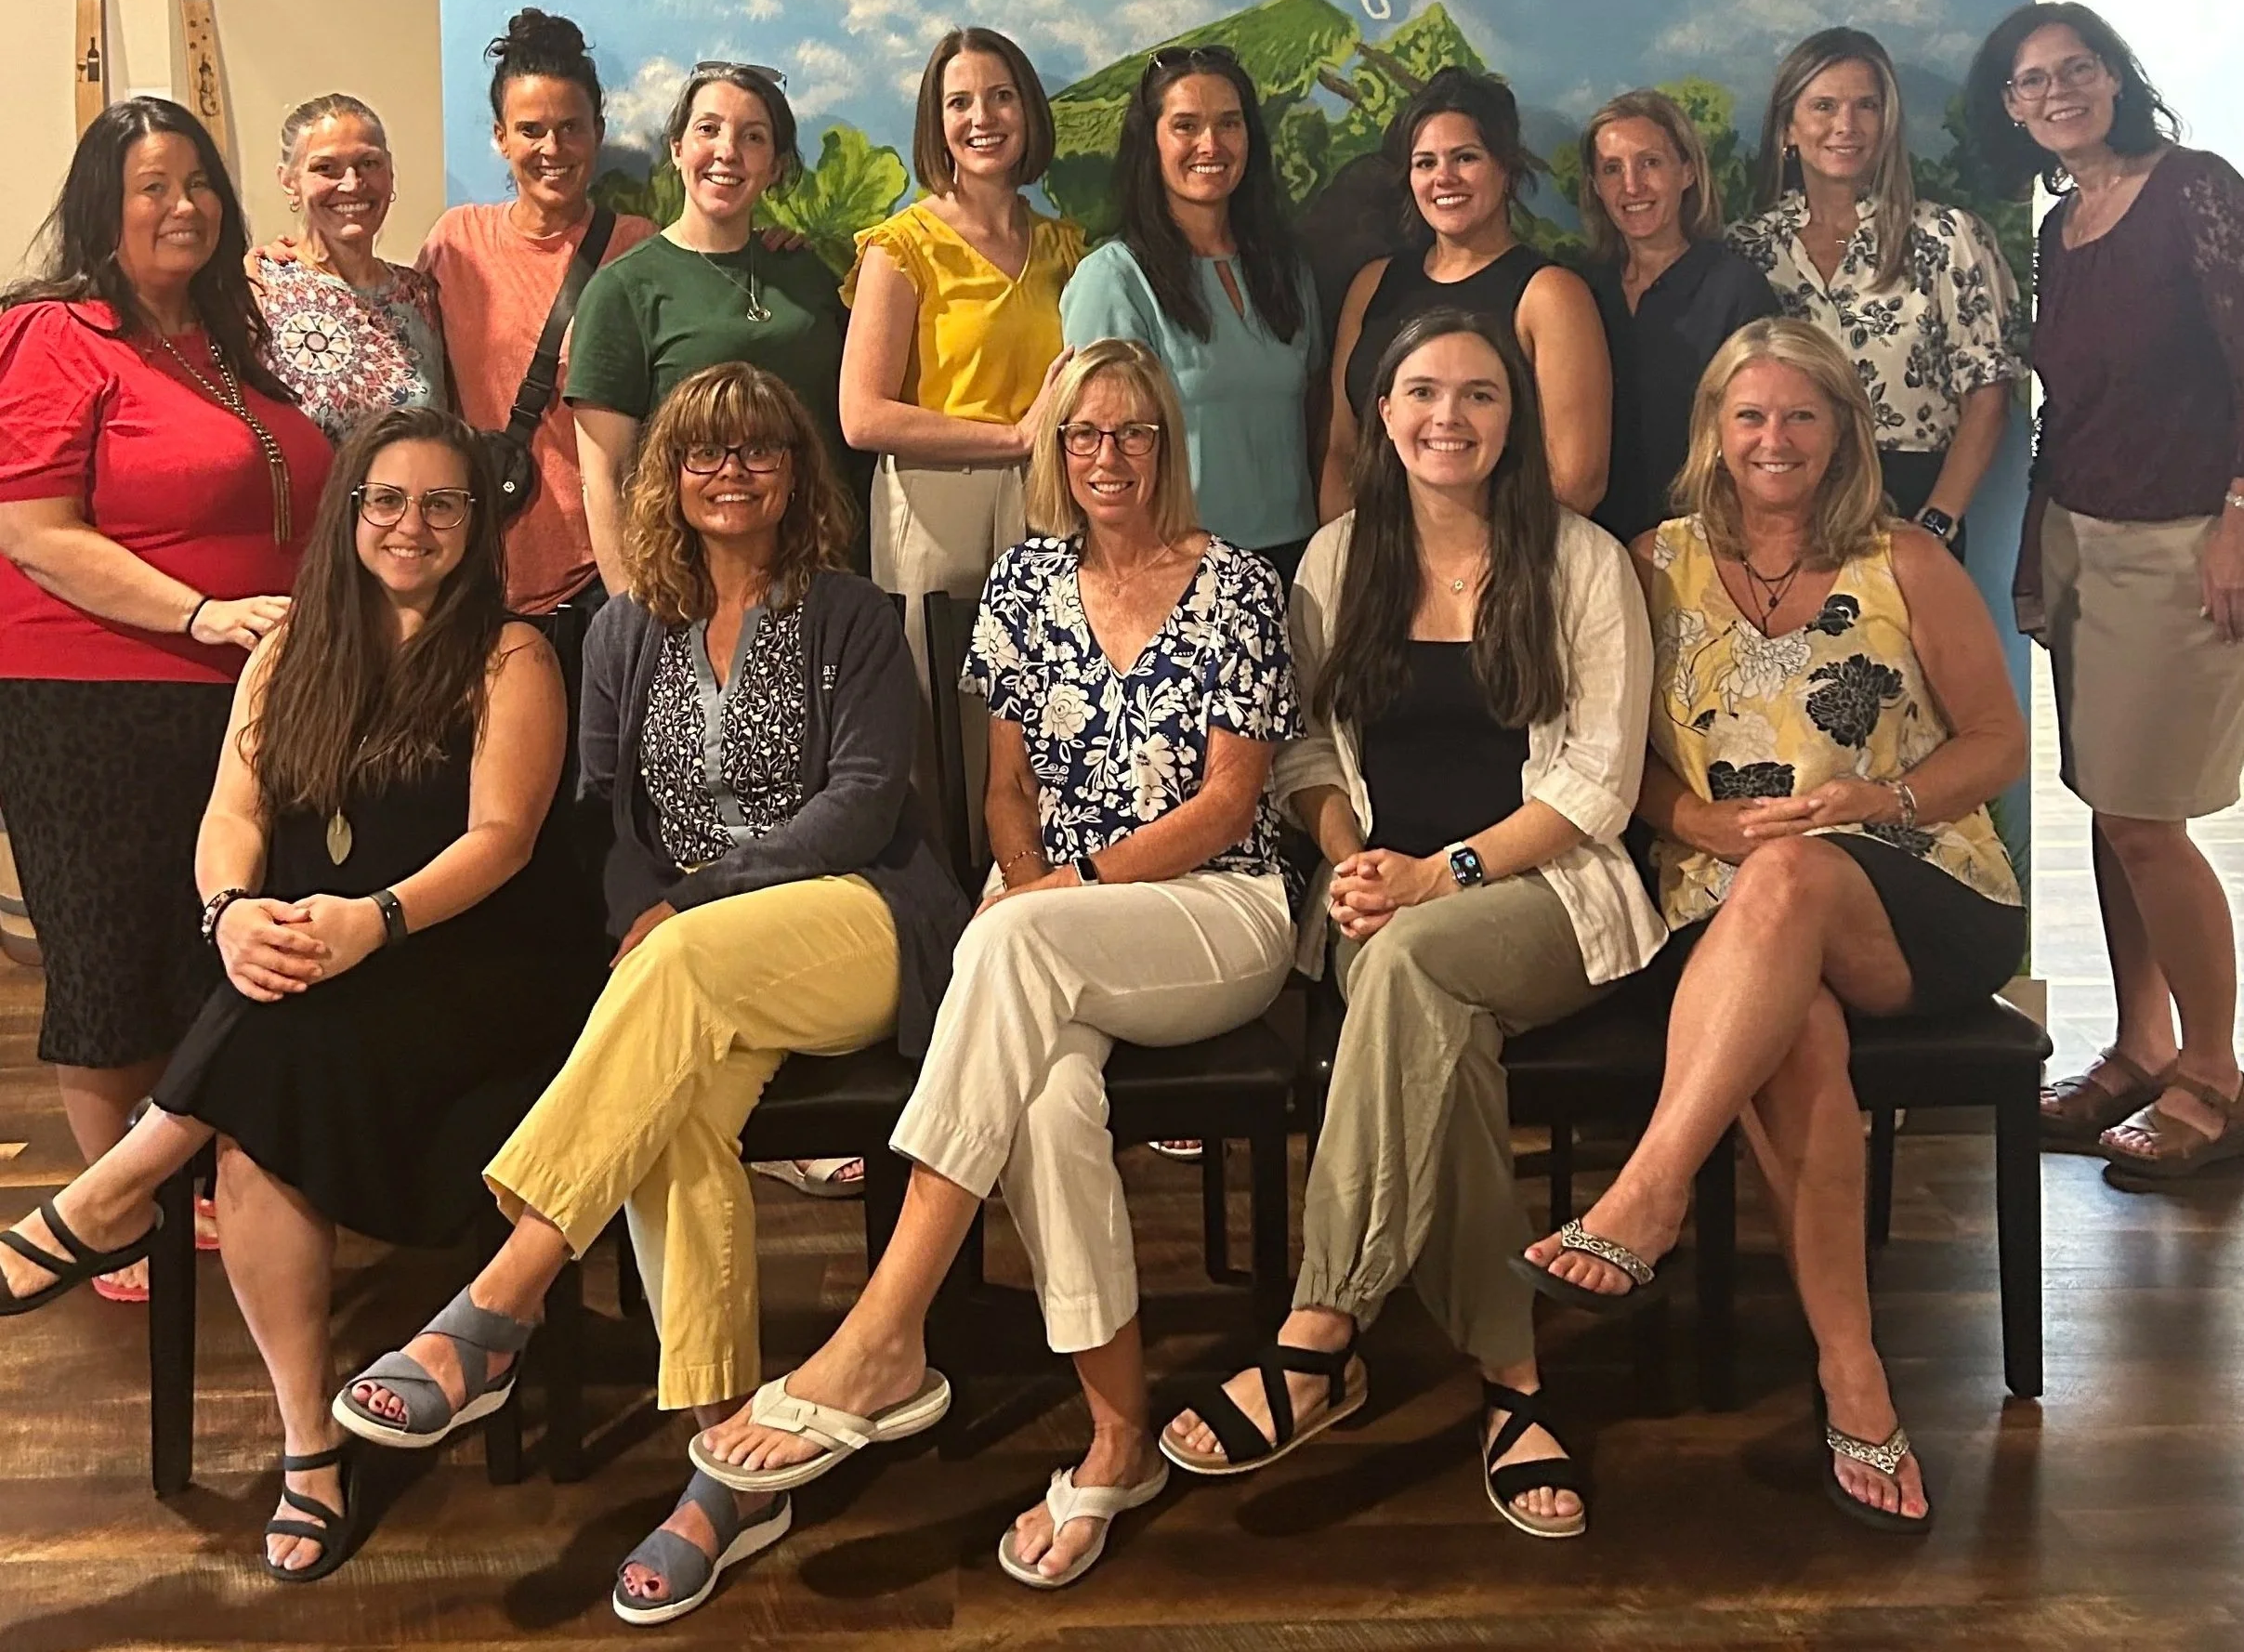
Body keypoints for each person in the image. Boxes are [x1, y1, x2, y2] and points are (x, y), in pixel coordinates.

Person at [329, 366, 968, 1623]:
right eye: (703, 454)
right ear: (666, 478)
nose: (729, 473)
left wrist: (691, 902)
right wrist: (642, 912)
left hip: (855, 917)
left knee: (673, 974)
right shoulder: (622, 628)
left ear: (795, 474)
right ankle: (723, 1466)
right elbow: (606, 815)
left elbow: (863, 801)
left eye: (757, 452)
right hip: (689, 964)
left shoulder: (851, 611)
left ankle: (501, 1294)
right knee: (674, 1121)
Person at [686, 340, 1301, 1592]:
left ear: (1163, 445)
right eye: (1083, 434)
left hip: (1212, 913)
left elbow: (1230, 804)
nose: (1107, 455)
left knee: (1008, 943)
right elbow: (1003, 787)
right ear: (1056, 451)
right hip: (1049, 926)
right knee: (1047, 1100)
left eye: (1131, 432)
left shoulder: (1233, 579)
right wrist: (1029, 881)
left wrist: (1056, 894)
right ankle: (1117, 1436)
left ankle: (883, 1323)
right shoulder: (1022, 582)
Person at [0, 410, 601, 1586]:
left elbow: (503, 842)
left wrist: (371, 919)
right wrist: (229, 915)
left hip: (479, 970)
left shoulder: (512, 652)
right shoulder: (289, 650)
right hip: (324, 976)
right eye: (386, 500)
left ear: (477, 527)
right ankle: (307, 1441)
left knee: (278, 1021)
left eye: (442, 504)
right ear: (350, 514)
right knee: (267, 1070)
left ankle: (120, 1185)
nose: (411, 525)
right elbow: (230, 813)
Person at [1517, 319, 2026, 1535]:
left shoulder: (1903, 555)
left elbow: (1997, 740)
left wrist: (1880, 798)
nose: (1771, 436)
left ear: (1841, 428)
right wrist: (1690, 809)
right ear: (1711, 430)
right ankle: (1852, 1375)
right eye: (1747, 415)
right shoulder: (1646, 563)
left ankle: (1648, 1186)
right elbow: (1602, 758)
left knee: (1792, 874)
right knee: (1792, 1028)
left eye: (1798, 413)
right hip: (1717, 904)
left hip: (1914, 888)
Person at [1160, 310, 1661, 1537]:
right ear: (1380, 414)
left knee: (1412, 962)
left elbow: (1596, 782)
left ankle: (1320, 1323)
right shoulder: (1337, 559)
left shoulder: (1581, 559)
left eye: (1479, 394)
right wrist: (1350, 856)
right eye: (1422, 391)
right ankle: (1513, 1379)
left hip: (1549, 899)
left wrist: (1441, 875)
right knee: (1430, 1011)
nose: (1449, 416)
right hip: (1382, 906)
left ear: (1512, 417)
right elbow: (1302, 749)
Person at [0, 98, 330, 1301]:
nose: (183, 204)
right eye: (153, 185)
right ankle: (113, 1206)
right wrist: (196, 614)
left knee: (215, 942)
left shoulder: (226, 335)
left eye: (199, 182)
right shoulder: (57, 332)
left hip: (243, 691)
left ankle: (171, 1170)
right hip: (90, 690)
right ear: (104, 203)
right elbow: (34, 532)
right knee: (110, 945)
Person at [1968, 3, 2244, 1178]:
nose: (2057, 94)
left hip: (2184, 537)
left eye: (2074, 70)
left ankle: (2216, 1076)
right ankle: (2135, 1047)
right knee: (2106, 801)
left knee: (2147, 820)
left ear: (2114, 78)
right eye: (2032, 85)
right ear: (2014, 113)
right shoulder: (2059, 225)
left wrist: (2241, 515)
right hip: (2079, 534)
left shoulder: (2195, 189)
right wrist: (2040, 551)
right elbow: (2067, 407)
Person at [839, 26, 1081, 835]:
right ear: (933, 122)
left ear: (1029, 111)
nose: (983, 117)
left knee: (1046, 713)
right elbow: (861, 414)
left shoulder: (1065, 248)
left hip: (1051, 504)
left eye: (1001, 95)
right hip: (935, 508)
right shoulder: (902, 246)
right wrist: (1009, 439)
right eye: (959, 101)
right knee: (944, 730)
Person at [1728, 28, 2022, 551]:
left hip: (1911, 506)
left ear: (1888, 123)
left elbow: (1988, 396)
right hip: (1781, 504)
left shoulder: (1948, 238)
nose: (1846, 125)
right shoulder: (1747, 250)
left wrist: (1938, 521)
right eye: (1823, 105)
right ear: (1786, 130)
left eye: (1866, 105)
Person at [415, 9, 653, 653]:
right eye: (531, 130)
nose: (552, 149)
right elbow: (386, 329)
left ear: (598, 133)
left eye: (571, 128)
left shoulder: (636, 250)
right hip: (473, 580)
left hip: (601, 578)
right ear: (500, 137)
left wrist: (775, 251)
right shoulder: (454, 241)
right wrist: (288, 257)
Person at [571, 62, 853, 595]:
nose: (728, 151)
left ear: (774, 166)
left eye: (753, 137)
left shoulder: (808, 274)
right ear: (676, 148)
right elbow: (603, 481)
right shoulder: (622, 290)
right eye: (708, 129)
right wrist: (633, 615)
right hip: (689, 591)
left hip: (820, 581)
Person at [1061, 46, 1322, 583]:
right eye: (1186, 125)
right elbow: (1096, 452)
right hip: (1175, 568)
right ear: (1150, 143)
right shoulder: (1113, 278)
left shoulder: (1286, 270)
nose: (1211, 144)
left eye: (1229, 123)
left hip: (1297, 565)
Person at [1326, 67, 1609, 519]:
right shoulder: (1372, 284)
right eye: (1426, 163)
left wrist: (1456, 567)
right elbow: (1341, 449)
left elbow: (1576, 481)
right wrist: (1350, 555)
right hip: (1376, 566)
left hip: (1505, 572)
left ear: (1506, 170)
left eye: (1465, 158)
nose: (1444, 178)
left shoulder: (1550, 295)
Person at [1578, 90, 1779, 543]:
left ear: (1687, 172)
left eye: (1650, 163)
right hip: (1592, 547)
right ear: (1594, 185)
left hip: (1706, 546)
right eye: (1612, 169)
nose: (1632, 186)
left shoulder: (1736, 290)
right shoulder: (1579, 291)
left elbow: (1763, 431)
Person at [248, 94, 448, 441]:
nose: (353, 184)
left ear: (390, 173)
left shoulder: (421, 295)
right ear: (288, 181)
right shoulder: (259, 289)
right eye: (325, 168)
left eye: (369, 163)